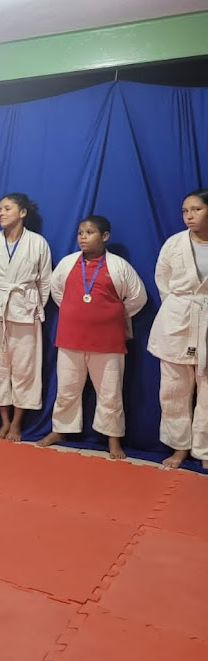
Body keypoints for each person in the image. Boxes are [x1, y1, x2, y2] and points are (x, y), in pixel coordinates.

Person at [38, 216, 147, 460]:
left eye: (89, 232)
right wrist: (76, 312)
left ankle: (113, 439)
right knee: (67, 389)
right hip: (70, 337)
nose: (83, 237)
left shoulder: (118, 266)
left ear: (105, 236)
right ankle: (60, 430)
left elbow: (137, 298)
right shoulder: (67, 264)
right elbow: (57, 292)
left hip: (108, 341)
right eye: (80, 232)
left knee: (110, 393)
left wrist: (112, 315)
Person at [0, 193, 52, 441]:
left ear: (22, 213)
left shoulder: (38, 243)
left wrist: (34, 306)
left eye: (7, 208)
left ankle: (17, 423)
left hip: (25, 311)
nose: (1, 213)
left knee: (24, 368)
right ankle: (4, 422)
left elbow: (45, 282)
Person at [148, 189, 208, 469]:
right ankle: (179, 446)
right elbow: (163, 282)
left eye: (196, 209)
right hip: (177, 319)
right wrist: (178, 309)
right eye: (185, 211)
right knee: (173, 389)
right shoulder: (174, 244)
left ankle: (205, 449)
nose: (189, 216)